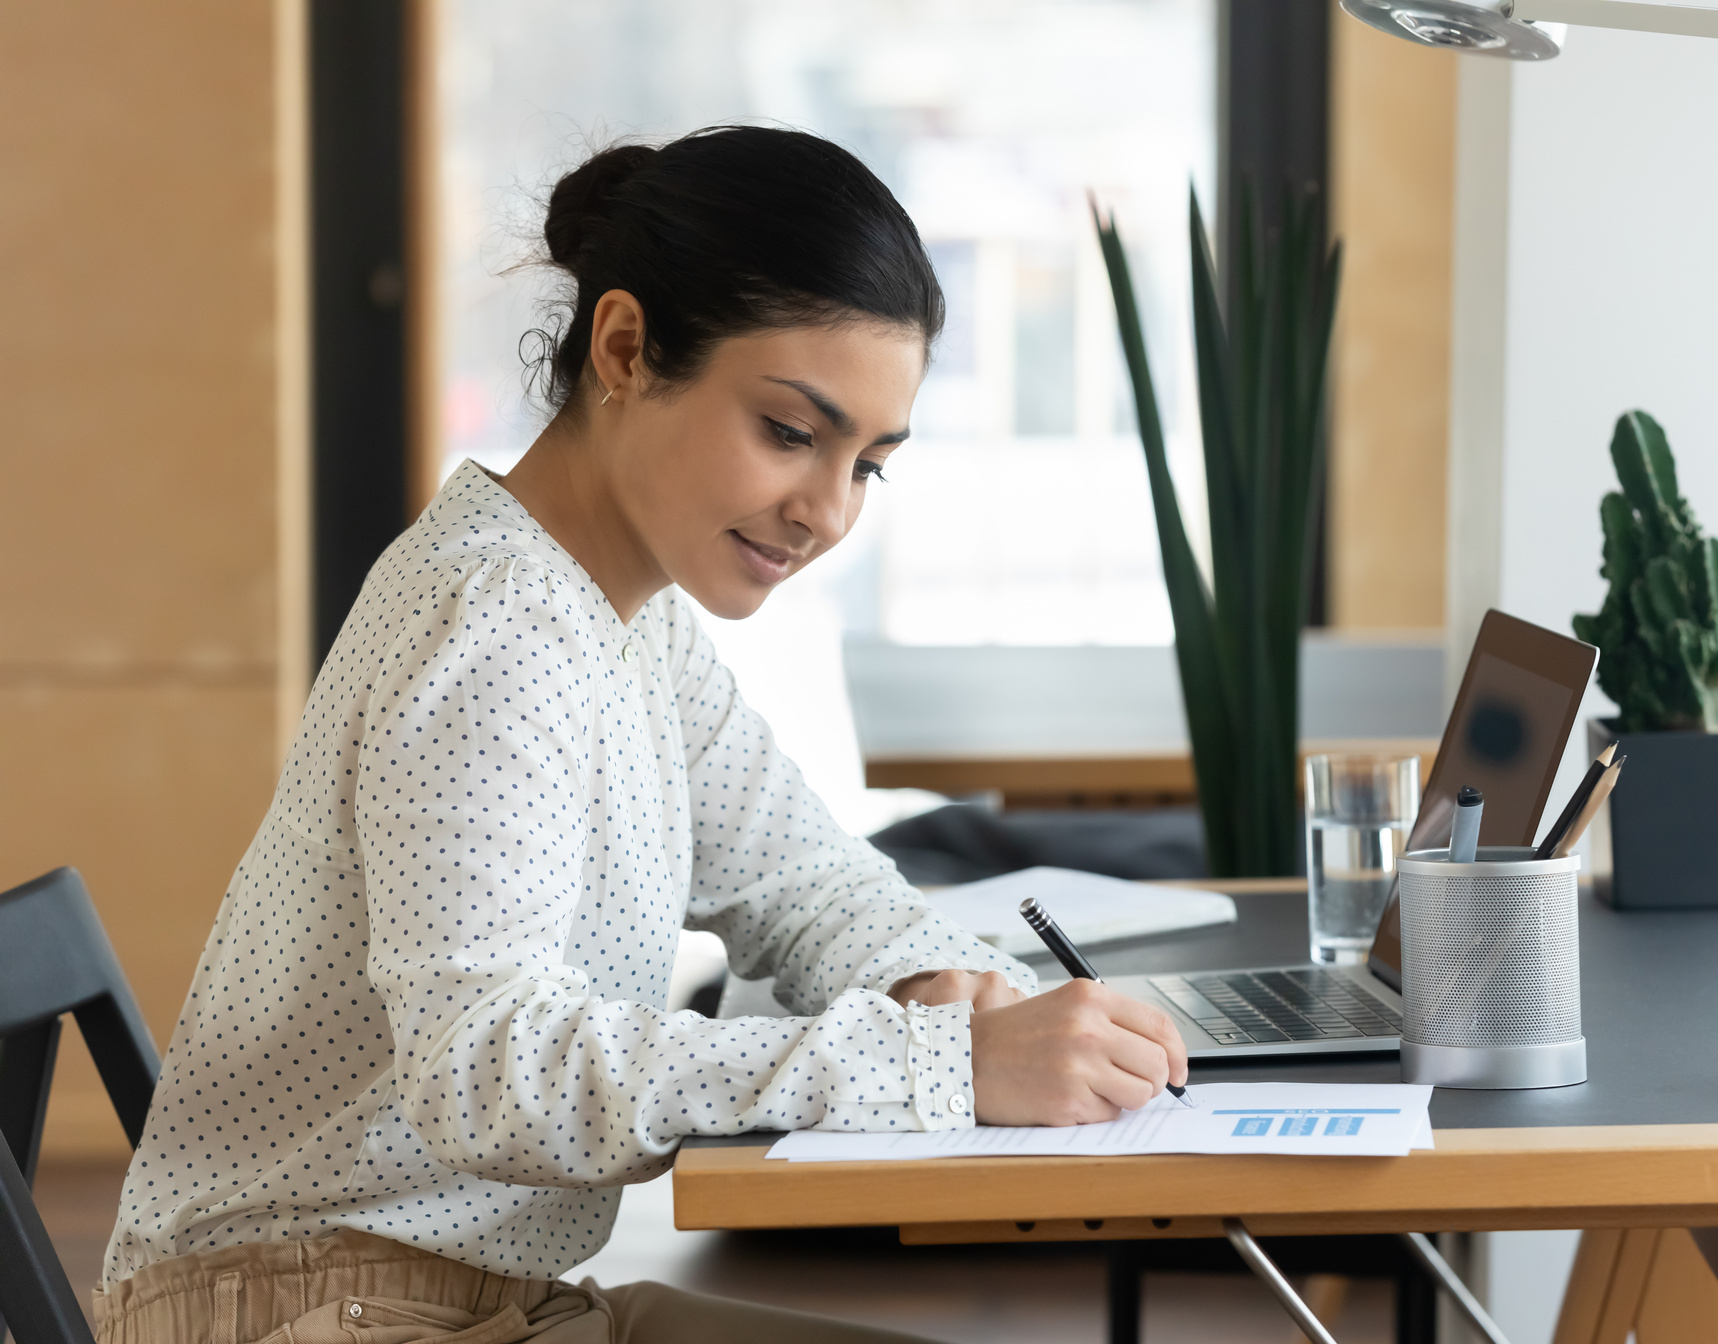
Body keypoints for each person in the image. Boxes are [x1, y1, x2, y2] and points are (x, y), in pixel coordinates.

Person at [94, 126, 1187, 1344]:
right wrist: (939, 1067)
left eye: (868, 465)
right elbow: (487, 1074)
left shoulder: (627, 624)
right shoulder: (493, 626)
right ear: (623, 348)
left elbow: (802, 879)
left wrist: (935, 984)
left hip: (474, 1304)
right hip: (307, 1312)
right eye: (789, 432)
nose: (826, 512)